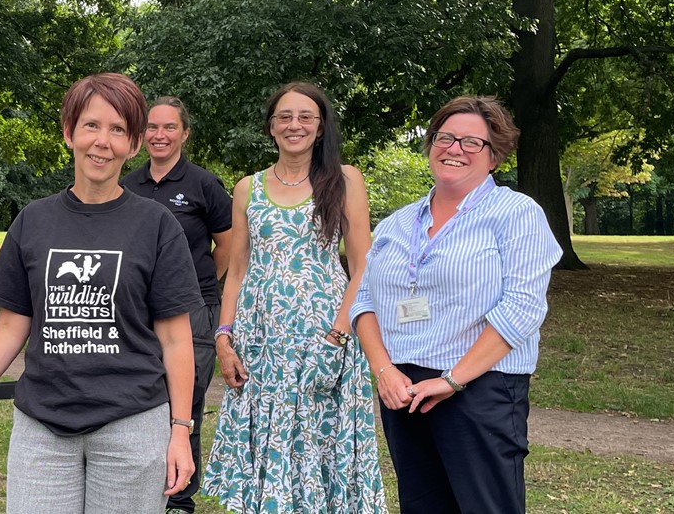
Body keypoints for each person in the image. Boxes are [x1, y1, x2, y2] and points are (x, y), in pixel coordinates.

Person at [0, 72, 200, 513]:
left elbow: (175, 338)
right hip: (42, 425)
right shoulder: (34, 221)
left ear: (133, 145)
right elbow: (13, 326)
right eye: (91, 125)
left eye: (117, 130)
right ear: (69, 133)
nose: (102, 141)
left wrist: (180, 430)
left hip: (132, 423)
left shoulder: (156, 224)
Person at [352, 96, 561, 513]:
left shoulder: (516, 213)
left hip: (480, 388)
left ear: (495, 155)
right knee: (422, 505)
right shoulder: (397, 222)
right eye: (445, 137)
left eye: (471, 142)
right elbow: (364, 300)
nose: (454, 149)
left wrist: (452, 380)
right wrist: (383, 370)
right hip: (403, 389)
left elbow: (522, 307)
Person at [201, 82, 385, 513]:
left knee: (319, 446)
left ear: (320, 128)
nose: (294, 125)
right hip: (260, 345)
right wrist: (223, 338)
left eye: (306, 117)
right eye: (284, 116)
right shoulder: (248, 187)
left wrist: (338, 337)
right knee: (267, 450)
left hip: (323, 338)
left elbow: (362, 267)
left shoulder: (344, 180)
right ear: (270, 127)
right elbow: (237, 271)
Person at [121, 96, 232, 514]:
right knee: (140, 399)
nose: (159, 135)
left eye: (169, 127)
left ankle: (179, 501)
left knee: (186, 404)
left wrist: (197, 285)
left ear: (184, 133)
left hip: (194, 311)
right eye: (152, 127)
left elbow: (229, 244)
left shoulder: (203, 184)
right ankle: (140, 489)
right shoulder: (128, 185)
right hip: (138, 312)